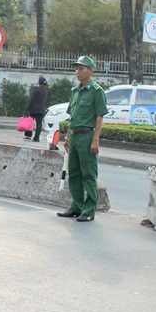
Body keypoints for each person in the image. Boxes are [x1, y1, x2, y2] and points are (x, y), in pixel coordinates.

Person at [57, 56, 107, 222]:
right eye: (77, 69)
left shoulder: (96, 91)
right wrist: (67, 136)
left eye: (81, 69)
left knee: (88, 174)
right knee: (75, 173)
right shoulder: (76, 91)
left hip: (87, 136)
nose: (77, 72)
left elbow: (99, 116)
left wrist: (95, 139)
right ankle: (76, 205)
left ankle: (89, 209)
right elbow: (73, 115)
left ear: (90, 71)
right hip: (75, 136)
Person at [24, 76, 48, 142]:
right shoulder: (45, 91)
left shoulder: (37, 89)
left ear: (39, 82)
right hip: (41, 110)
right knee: (39, 124)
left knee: (30, 121)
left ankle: (28, 135)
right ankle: (36, 138)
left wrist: (27, 109)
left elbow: (32, 100)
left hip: (34, 109)